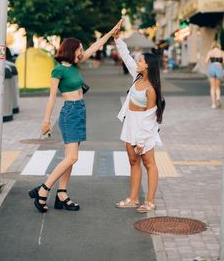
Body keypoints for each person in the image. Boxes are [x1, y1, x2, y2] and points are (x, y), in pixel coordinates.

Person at [28, 20, 122, 213]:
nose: (82, 52)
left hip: (79, 111)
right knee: (71, 158)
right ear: (71, 50)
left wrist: (112, 31)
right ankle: (43, 190)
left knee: (70, 157)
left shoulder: (73, 66)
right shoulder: (59, 70)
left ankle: (62, 194)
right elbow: (52, 96)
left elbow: (96, 45)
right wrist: (46, 121)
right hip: (70, 112)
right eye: (79, 50)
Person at [114, 29, 163, 213]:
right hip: (130, 125)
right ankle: (133, 199)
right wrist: (118, 39)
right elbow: (126, 57)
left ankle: (150, 201)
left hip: (145, 129)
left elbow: (149, 118)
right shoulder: (137, 77)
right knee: (133, 162)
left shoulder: (151, 89)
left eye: (140, 60)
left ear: (148, 65)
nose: (137, 61)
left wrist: (141, 141)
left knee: (149, 163)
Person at [205, 41, 224, 109]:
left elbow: (206, 61)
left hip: (212, 67)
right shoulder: (222, 52)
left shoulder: (210, 52)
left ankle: (213, 104)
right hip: (219, 67)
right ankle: (218, 97)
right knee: (217, 87)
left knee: (212, 87)